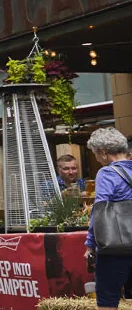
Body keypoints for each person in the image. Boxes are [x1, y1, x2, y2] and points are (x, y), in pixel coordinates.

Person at [86, 128, 132, 310]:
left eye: (95, 154)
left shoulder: (107, 173)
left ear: (104, 152)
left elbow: (100, 211)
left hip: (116, 247)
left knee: (107, 301)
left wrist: (90, 243)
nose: (96, 159)